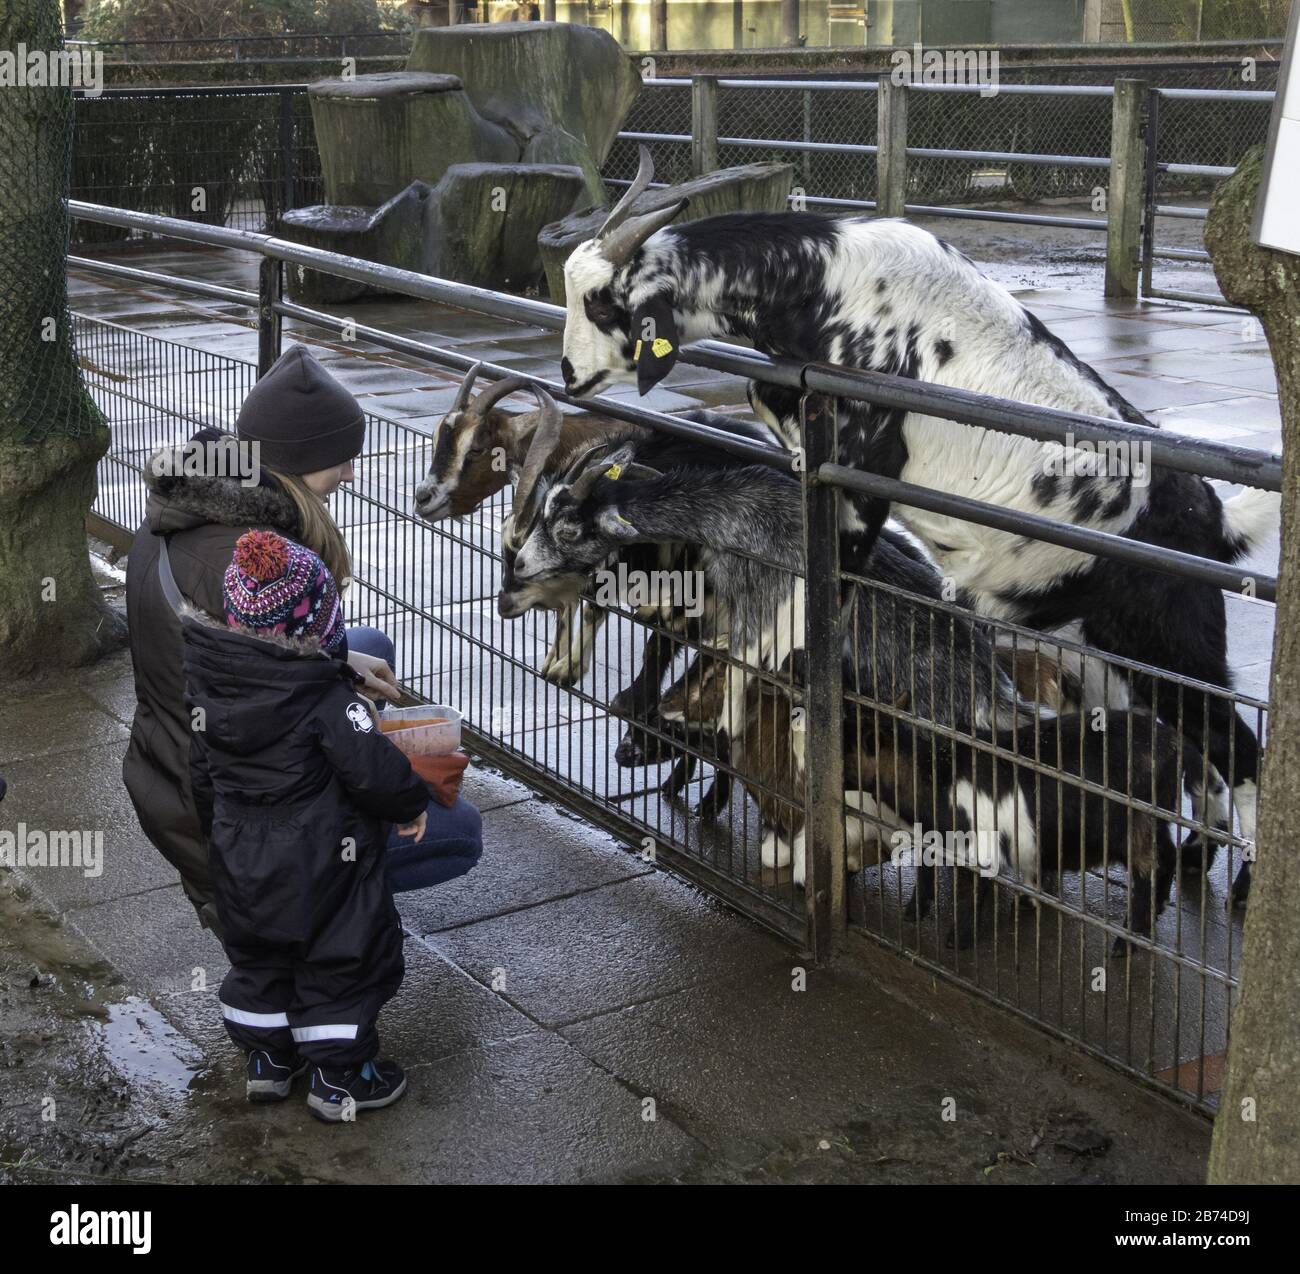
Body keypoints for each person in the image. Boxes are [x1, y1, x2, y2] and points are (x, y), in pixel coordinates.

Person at [123, 344, 482, 937]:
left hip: (169, 768)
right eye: (338, 460)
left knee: (369, 642)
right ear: (296, 460)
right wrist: (387, 767)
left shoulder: (190, 514)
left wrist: (343, 661)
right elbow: (297, 731)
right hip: (227, 826)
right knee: (458, 829)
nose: (349, 474)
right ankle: (320, 918)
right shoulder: (239, 565)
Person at [184, 529, 424, 1120]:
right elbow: (373, 771)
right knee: (339, 959)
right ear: (317, 624)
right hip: (324, 860)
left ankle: (267, 1063)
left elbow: (201, 776)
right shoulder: (326, 699)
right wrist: (411, 802)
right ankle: (341, 1079)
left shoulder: (208, 690)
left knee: (260, 957)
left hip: (242, 856)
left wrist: (221, 835)